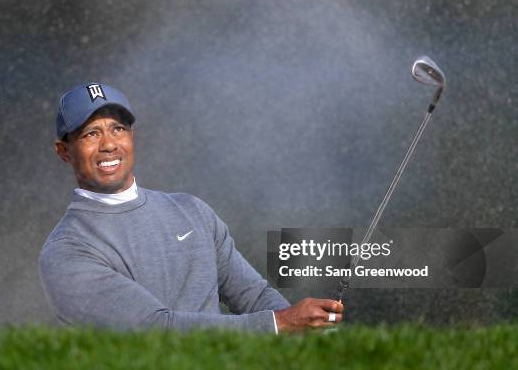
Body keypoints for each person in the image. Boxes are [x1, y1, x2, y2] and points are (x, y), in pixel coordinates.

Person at [39, 82, 343, 334]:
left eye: (117, 129)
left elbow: (254, 296)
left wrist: (308, 334)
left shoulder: (191, 210)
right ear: (64, 151)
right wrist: (282, 324)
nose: (108, 144)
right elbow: (155, 331)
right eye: (91, 133)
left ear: (132, 136)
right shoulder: (67, 250)